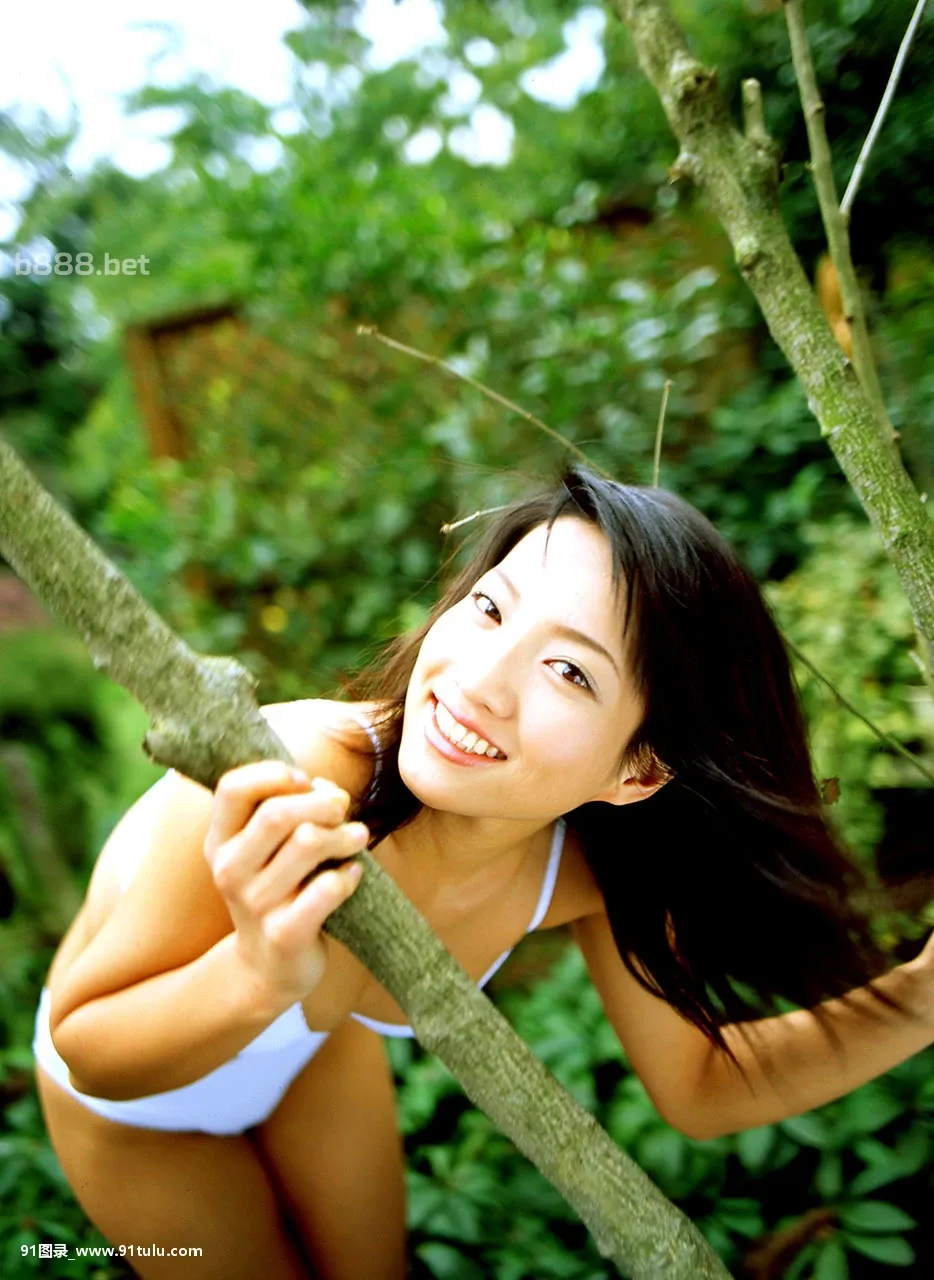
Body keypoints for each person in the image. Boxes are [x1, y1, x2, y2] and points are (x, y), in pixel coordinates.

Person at [33, 465, 934, 1280]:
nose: (478, 681)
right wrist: (259, 971)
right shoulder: (294, 776)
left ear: (639, 771)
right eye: (492, 609)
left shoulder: (585, 871)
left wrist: (924, 994)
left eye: (568, 671)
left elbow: (702, 1087)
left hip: (310, 1061)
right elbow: (88, 1047)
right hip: (131, 1114)